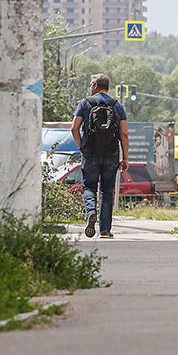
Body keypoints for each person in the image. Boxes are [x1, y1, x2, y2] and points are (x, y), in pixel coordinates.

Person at [70, 74, 129, 239]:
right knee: (107, 190)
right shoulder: (117, 106)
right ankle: (105, 230)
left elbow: (74, 127)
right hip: (111, 154)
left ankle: (90, 212)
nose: (90, 87)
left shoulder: (85, 103)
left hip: (90, 153)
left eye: (91, 84)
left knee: (89, 187)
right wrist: (125, 158)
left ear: (95, 85)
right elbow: (123, 133)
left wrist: (82, 146)